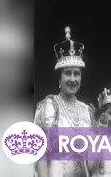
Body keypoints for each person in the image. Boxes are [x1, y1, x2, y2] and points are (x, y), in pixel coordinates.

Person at [34, 27, 94, 177]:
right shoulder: (49, 107)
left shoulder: (87, 111)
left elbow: (91, 163)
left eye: (77, 74)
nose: (73, 79)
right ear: (59, 78)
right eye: (67, 73)